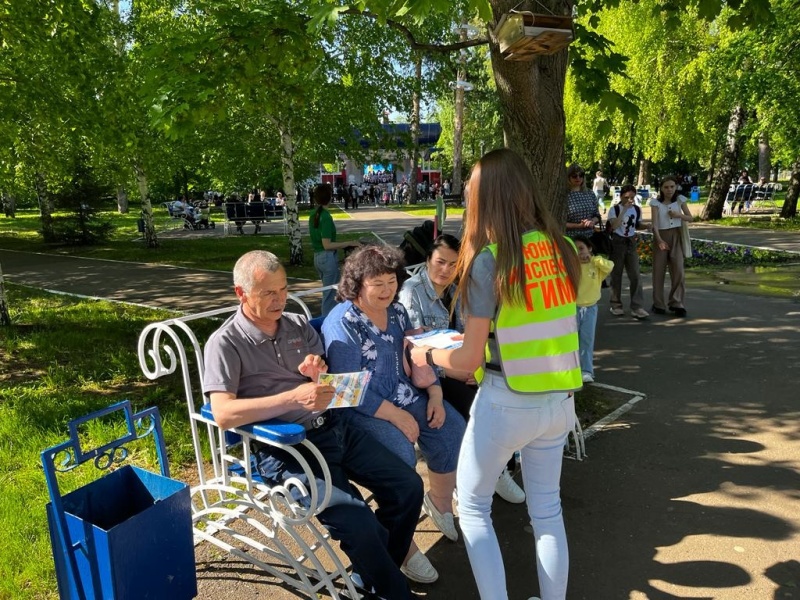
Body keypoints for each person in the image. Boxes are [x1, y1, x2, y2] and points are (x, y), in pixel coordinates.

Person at [410, 148, 582, 600]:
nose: (467, 195)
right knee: (548, 511)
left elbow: (465, 362)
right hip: (560, 400)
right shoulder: (561, 248)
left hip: (507, 401)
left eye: (471, 188)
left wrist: (426, 354)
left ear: (486, 197)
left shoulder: (489, 260)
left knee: (472, 507)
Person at [202, 250, 422, 600]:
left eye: (284, 289)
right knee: (358, 521)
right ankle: (391, 589)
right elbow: (224, 414)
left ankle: (371, 575)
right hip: (286, 448)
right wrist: (292, 398)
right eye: (267, 293)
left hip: (333, 428)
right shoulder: (225, 343)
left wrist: (317, 372)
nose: (279, 300)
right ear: (241, 294)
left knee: (408, 488)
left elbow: (326, 378)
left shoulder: (296, 325)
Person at [322, 245, 466, 581]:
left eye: (391, 281)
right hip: (362, 411)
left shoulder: (398, 312)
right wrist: (395, 416)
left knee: (451, 428)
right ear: (357, 285)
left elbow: (415, 355)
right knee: (400, 457)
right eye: (377, 284)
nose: (387, 290)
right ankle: (402, 545)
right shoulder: (343, 323)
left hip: (405, 394)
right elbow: (344, 391)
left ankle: (440, 502)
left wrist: (433, 392)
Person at [398, 234, 525, 504]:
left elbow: (469, 335)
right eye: (440, 262)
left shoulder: (457, 290)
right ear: (427, 260)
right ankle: (476, 477)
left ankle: (495, 470)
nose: (446, 270)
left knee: (495, 402)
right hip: (430, 375)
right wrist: (454, 371)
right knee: (475, 409)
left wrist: (472, 365)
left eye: (453, 264)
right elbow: (415, 350)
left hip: (458, 368)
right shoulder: (411, 291)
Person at [308, 184, 359, 317]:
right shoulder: (325, 217)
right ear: (330, 198)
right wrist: (349, 243)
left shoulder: (313, 214)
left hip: (318, 258)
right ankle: (326, 322)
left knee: (329, 292)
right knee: (330, 295)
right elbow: (327, 244)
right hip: (327, 257)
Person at [649, 175, 693, 317]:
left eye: (672, 187)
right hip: (661, 236)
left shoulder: (680, 200)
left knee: (678, 269)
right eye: (666, 187)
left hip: (676, 235)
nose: (669, 190)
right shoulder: (656, 203)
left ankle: (677, 302)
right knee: (658, 271)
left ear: (676, 187)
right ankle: (658, 304)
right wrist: (659, 240)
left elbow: (690, 218)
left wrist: (678, 215)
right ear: (661, 188)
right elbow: (654, 224)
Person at [573, 236, 614, 383]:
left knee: (587, 340)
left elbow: (610, 266)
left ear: (589, 248)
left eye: (582, 248)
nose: (580, 253)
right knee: (571, 341)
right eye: (576, 250)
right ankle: (572, 369)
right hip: (572, 309)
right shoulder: (571, 265)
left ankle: (586, 371)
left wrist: (593, 259)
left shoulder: (596, 265)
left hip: (590, 308)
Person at [607, 184, 649, 319]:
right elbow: (614, 225)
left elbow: (637, 225)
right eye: (626, 197)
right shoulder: (614, 209)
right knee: (616, 275)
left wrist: (648, 226)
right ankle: (616, 305)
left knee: (635, 274)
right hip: (617, 242)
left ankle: (637, 307)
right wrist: (624, 209)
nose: (630, 200)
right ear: (621, 197)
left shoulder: (636, 209)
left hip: (631, 241)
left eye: (632, 197)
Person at [565, 164, 601, 240]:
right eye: (574, 176)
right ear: (568, 177)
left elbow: (597, 216)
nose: (578, 178)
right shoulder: (563, 196)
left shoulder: (590, 193)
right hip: (571, 239)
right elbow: (559, 222)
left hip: (590, 238)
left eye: (580, 175)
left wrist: (592, 221)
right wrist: (578, 226)